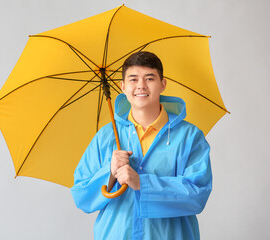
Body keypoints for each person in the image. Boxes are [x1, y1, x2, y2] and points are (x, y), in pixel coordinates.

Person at [71, 51, 212, 240]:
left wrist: (142, 184)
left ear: (162, 84)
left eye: (149, 78)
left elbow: (198, 194)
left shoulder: (189, 136)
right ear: (122, 86)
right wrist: (110, 173)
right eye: (133, 79)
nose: (141, 86)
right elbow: (82, 196)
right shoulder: (106, 137)